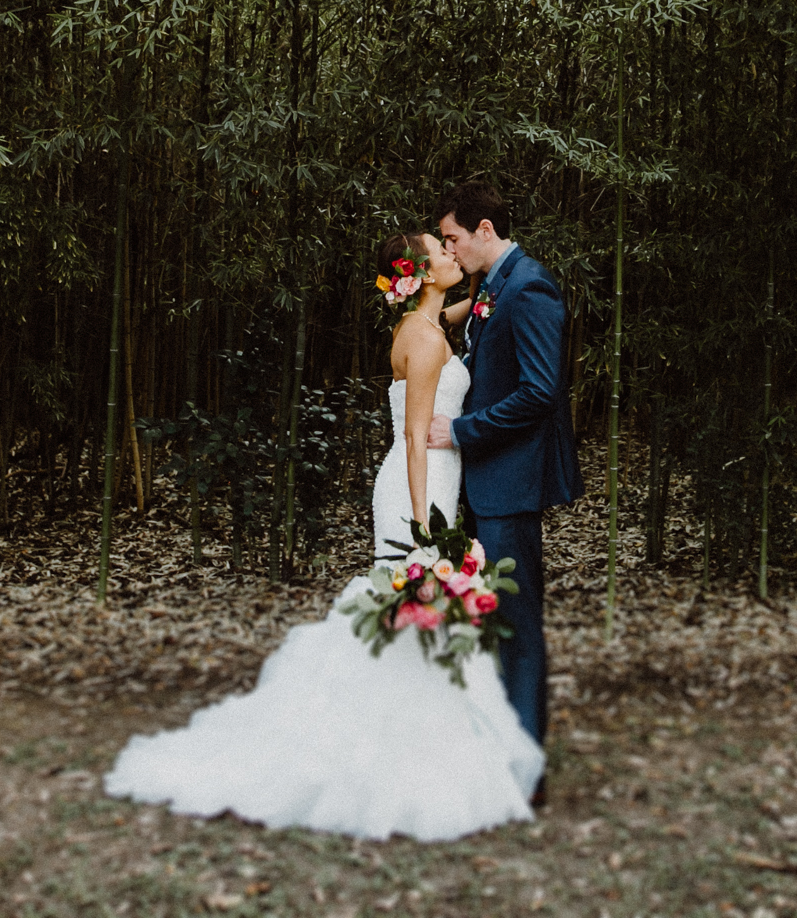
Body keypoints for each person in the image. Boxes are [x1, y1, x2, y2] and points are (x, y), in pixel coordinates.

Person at [102, 233, 542, 840]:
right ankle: (388, 755)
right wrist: (424, 525)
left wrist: (489, 283)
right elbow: (416, 437)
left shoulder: (434, 323)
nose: (449, 254)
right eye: (439, 252)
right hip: (417, 492)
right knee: (412, 608)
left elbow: (474, 304)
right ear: (418, 275)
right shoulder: (419, 337)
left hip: (438, 485)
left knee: (428, 617)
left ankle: (419, 746)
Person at [426, 180, 581, 777]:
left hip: (510, 486)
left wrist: (461, 432)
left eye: (453, 238)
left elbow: (540, 392)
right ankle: (494, 746)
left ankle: (526, 768)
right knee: (487, 617)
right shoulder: (493, 285)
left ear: (484, 231)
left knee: (516, 624)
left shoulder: (531, 286)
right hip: (484, 482)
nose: (450, 248)